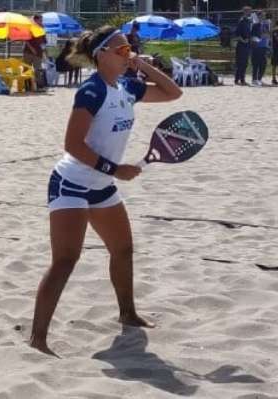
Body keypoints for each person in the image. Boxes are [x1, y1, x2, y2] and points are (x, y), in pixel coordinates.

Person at [29, 26, 182, 357]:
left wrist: (141, 65)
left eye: (130, 49)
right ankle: (37, 339)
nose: (128, 54)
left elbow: (173, 94)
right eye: (122, 50)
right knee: (66, 260)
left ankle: (127, 313)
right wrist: (117, 170)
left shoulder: (127, 86)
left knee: (124, 250)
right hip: (71, 182)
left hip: (100, 184)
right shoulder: (91, 90)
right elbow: (72, 144)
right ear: (101, 55)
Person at [24, 15, 47, 88]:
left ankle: (39, 85)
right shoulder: (30, 28)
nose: (41, 22)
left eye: (42, 20)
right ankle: (27, 85)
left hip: (38, 53)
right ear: (35, 20)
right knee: (27, 69)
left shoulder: (42, 28)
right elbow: (26, 40)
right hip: (28, 52)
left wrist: (44, 50)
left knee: (38, 69)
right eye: (40, 20)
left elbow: (44, 41)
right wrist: (32, 49)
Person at [250, 11, 270, 86]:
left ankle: (259, 79)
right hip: (257, 47)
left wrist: (267, 36)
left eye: (264, 16)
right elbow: (252, 35)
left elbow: (268, 34)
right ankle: (254, 79)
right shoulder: (255, 25)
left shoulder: (266, 25)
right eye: (262, 16)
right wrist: (260, 36)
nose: (263, 17)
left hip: (264, 47)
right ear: (258, 17)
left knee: (263, 63)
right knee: (256, 64)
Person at [235, 6, 253, 85]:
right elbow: (237, 34)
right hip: (241, 45)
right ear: (244, 12)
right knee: (240, 63)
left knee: (245, 63)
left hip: (247, 45)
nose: (250, 13)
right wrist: (243, 40)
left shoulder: (248, 21)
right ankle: (237, 79)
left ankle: (242, 79)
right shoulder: (241, 21)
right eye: (249, 11)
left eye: (250, 11)